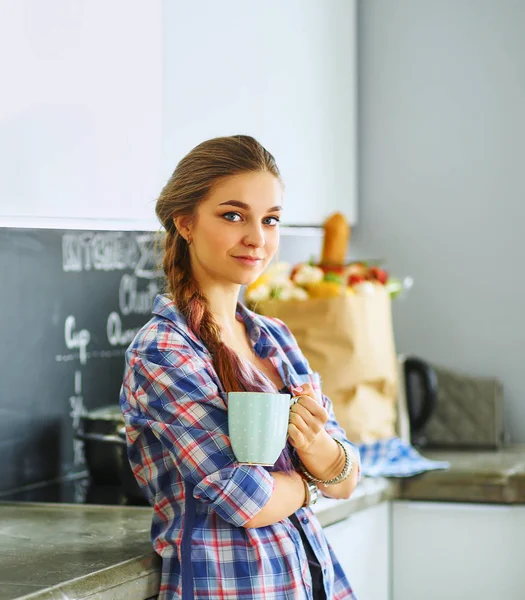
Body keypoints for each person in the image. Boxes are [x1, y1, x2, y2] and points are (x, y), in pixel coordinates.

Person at [120, 135, 361, 600]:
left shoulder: (274, 338)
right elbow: (245, 499)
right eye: (234, 216)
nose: (258, 238)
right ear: (185, 223)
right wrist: (314, 479)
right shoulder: (164, 351)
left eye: (270, 220)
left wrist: (316, 450)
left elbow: (349, 476)